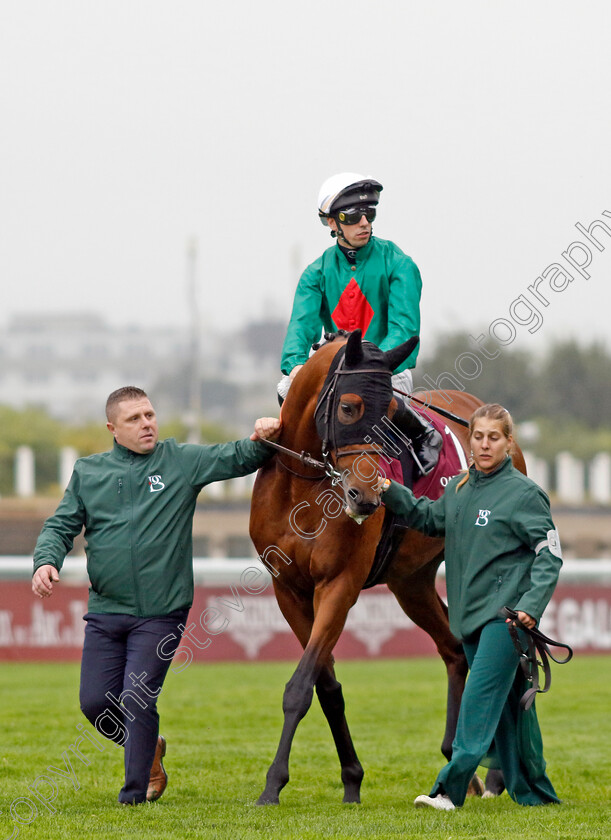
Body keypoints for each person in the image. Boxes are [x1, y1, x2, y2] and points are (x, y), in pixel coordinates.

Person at [31, 386, 281, 806]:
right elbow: (59, 526)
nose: (146, 423)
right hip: (107, 611)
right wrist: (45, 560)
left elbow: (240, 456)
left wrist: (266, 432)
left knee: (136, 698)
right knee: (94, 703)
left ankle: (134, 796)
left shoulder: (180, 461)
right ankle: (150, 751)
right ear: (112, 428)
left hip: (162, 613)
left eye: (149, 415)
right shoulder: (88, 472)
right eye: (134, 419)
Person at [376, 403, 562, 810]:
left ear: (508, 443)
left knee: (477, 706)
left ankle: (449, 791)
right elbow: (428, 518)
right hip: (469, 620)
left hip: (507, 621)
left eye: (494, 438)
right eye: (478, 436)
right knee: (512, 713)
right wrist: (390, 492)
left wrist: (531, 605)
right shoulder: (458, 487)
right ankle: (537, 794)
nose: (484, 445)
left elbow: (549, 555)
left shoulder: (525, 494)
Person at [279, 172, 441, 479]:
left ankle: (423, 439)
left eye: (369, 213)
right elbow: (300, 330)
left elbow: (404, 332)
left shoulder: (399, 264)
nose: (364, 222)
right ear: (331, 222)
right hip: (334, 371)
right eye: (352, 216)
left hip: (387, 372)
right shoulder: (315, 274)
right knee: (286, 387)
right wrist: (296, 365)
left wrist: (371, 367)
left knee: (377, 395)